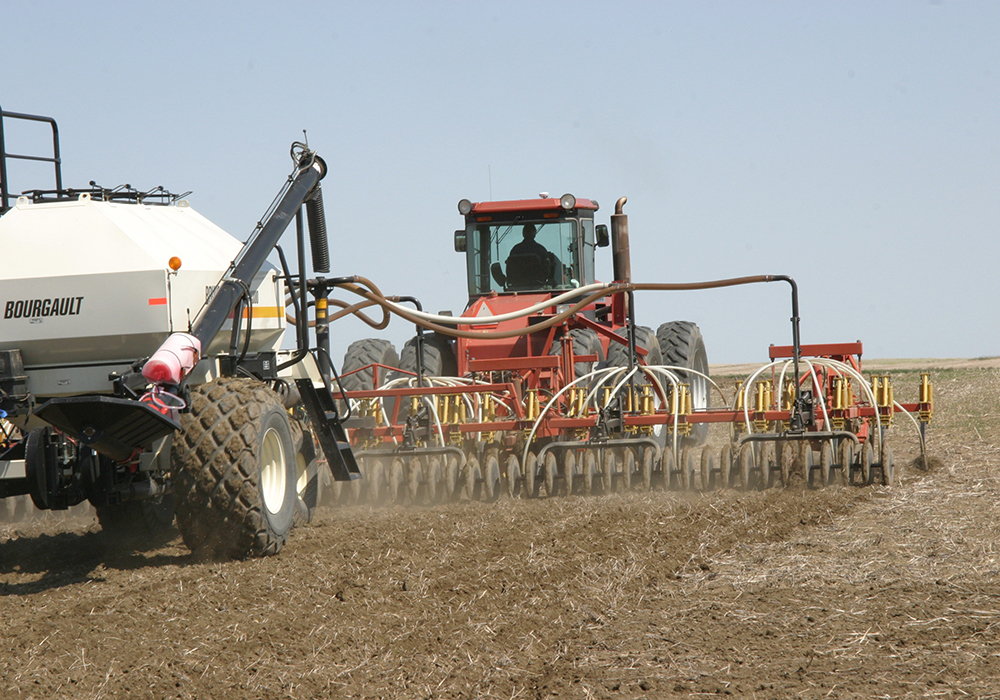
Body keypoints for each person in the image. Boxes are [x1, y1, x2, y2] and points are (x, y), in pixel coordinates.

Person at [505, 223, 558, 288]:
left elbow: (509, 270)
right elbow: (547, 269)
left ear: (523, 233)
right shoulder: (541, 250)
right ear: (534, 233)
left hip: (516, 287)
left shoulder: (515, 250)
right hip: (538, 287)